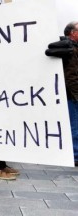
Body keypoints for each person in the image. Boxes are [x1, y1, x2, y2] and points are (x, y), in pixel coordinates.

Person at [46, 21, 78, 166]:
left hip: (71, 94)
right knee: (75, 126)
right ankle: (76, 156)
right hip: (72, 95)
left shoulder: (71, 47)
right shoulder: (70, 48)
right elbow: (71, 76)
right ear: (72, 32)